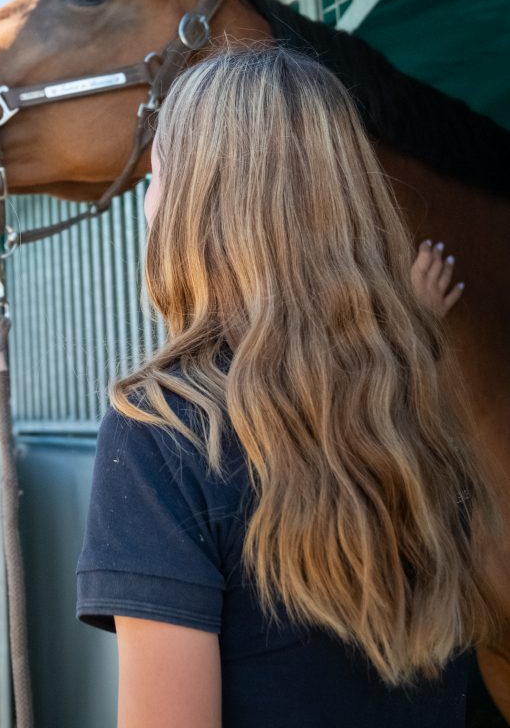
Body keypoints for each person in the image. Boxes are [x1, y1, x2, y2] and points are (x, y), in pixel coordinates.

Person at [76, 48, 495, 728]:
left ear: (197, 204)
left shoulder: (165, 427)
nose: (146, 203)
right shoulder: (415, 408)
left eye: (155, 177)